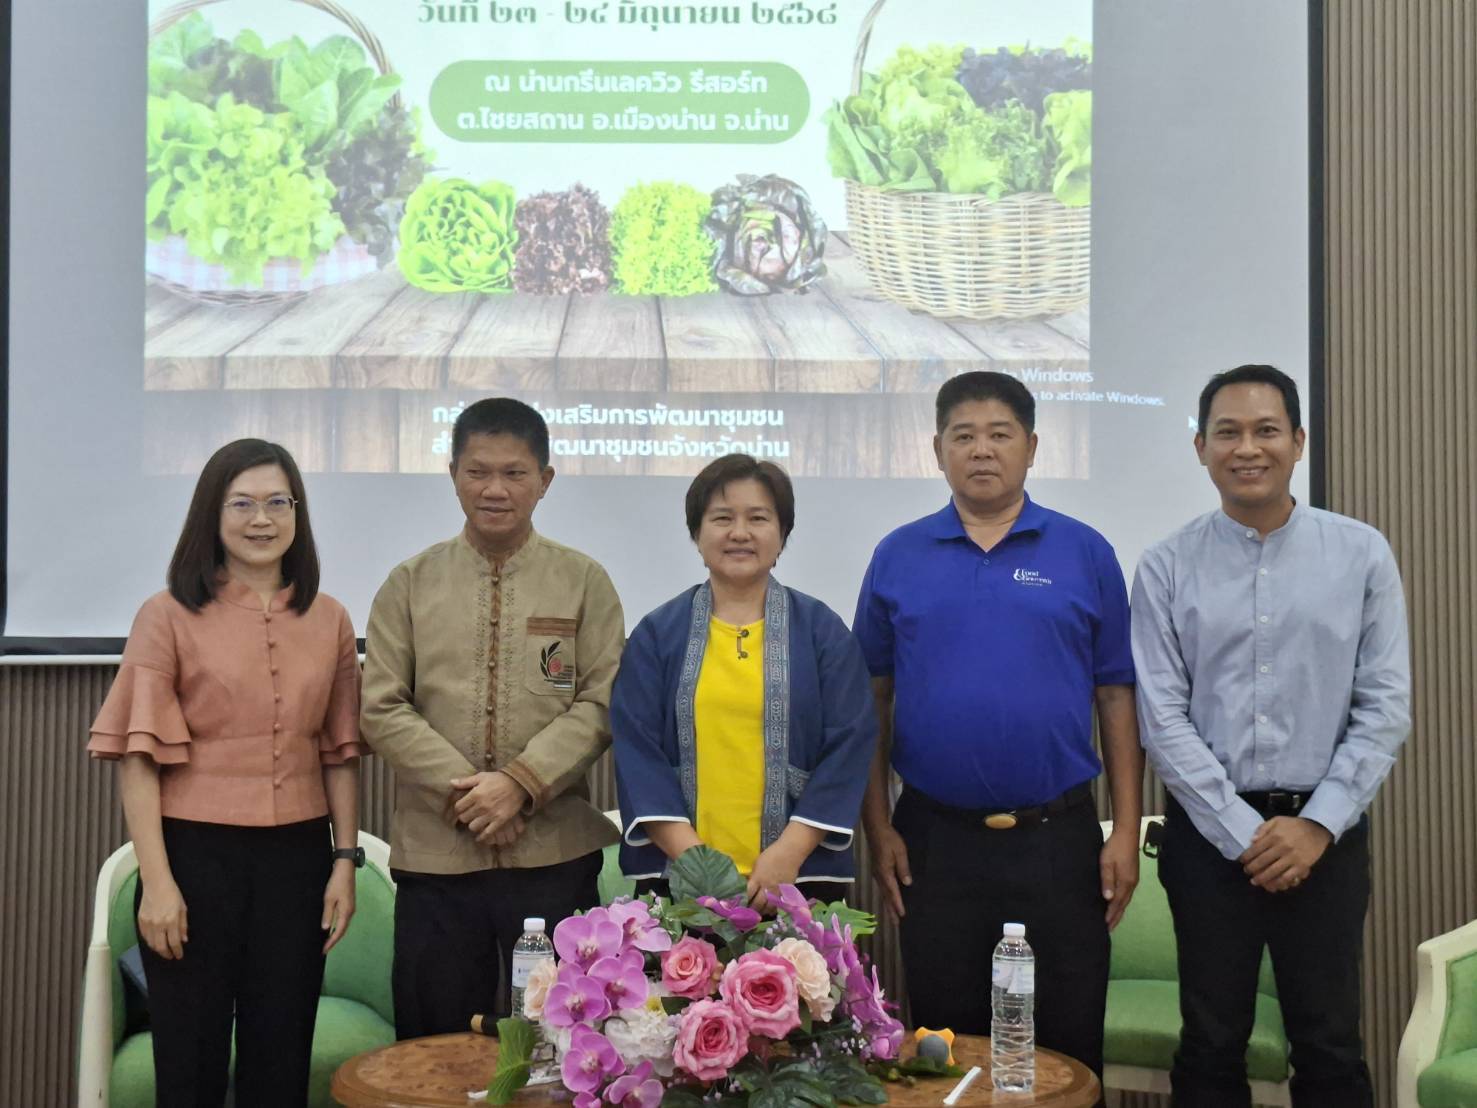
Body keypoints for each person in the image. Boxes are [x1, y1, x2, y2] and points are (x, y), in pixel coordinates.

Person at [1131, 364, 1410, 1107]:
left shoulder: (1361, 554)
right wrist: (1241, 832)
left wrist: (1316, 825)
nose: (1247, 448)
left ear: (1298, 441)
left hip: (1326, 837)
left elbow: (1384, 704)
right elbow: (1161, 717)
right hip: (1207, 842)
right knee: (1210, 1042)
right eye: (1227, 432)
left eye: (1265, 430)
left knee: (1329, 1044)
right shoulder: (1165, 566)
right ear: (1200, 447)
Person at [853, 371, 1142, 1082]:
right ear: (938, 450)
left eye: (999, 434)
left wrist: (1126, 830)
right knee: (946, 1048)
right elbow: (871, 701)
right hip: (934, 841)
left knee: (1068, 1048)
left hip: (1058, 840)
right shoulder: (898, 554)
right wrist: (879, 827)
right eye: (964, 436)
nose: (981, 450)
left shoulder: (1084, 551)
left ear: (1032, 447)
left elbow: (1115, 697)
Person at [87, 439, 364, 1108]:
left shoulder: (329, 618)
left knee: (282, 1055)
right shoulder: (166, 614)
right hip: (193, 859)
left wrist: (345, 862)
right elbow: (139, 760)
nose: (261, 519)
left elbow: (338, 753)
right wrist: (157, 883)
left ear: (297, 513)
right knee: (190, 1061)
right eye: (241, 504)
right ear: (212, 515)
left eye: (278, 502)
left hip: (297, 862)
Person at [361, 397, 625, 1039]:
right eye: (478, 471)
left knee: (563, 1044)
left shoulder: (584, 582)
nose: (495, 489)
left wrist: (519, 785)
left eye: (514, 473)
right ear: (453, 474)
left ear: (545, 480)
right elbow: (381, 706)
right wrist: (472, 798)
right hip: (437, 862)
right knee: (434, 1045)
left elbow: (602, 701)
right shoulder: (409, 584)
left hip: (554, 858)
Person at [611, 454, 876, 909]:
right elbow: (638, 751)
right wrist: (699, 867)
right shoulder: (657, 634)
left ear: (782, 533)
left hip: (796, 877)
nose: (739, 533)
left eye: (758, 518)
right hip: (679, 879)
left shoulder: (822, 632)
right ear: (697, 534)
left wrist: (788, 854)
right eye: (722, 518)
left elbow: (849, 744)